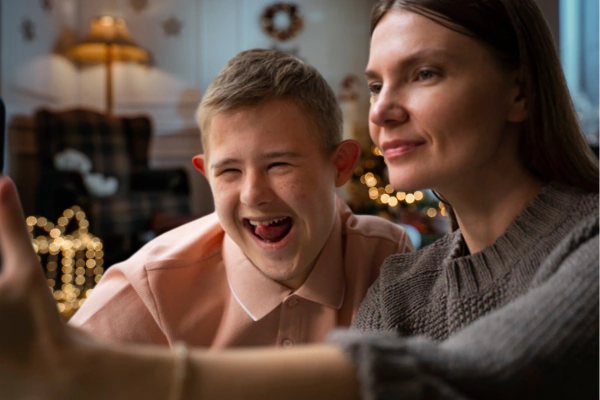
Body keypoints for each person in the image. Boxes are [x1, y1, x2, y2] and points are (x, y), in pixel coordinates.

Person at [0, 0, 597, 399]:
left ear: (519, 91)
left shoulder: (586, 242)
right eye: (374, 84)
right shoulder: (405, 284)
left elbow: (493, 369)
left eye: (425, 73)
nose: (382, 110)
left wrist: (89, 370)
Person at [67, 48, 413, 348]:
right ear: (206, 175)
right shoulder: (152, 284)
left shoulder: (387, 257)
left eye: (279, 165)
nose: (253, 194)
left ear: (340, 165)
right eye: (229, 171)